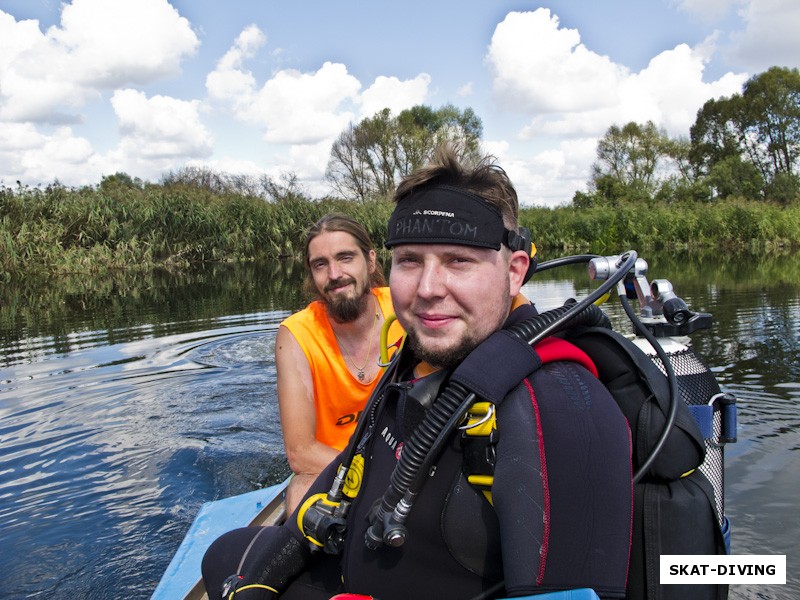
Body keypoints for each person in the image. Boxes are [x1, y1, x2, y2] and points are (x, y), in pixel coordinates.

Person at [202, 146, 633, 600]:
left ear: (514, 273)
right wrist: (257, 586)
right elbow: (336, 482)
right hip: (358, 568)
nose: (427, 289)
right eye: (410, 260)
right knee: (226, 557)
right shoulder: (416, 361)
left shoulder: (559, 407)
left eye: (458, 261)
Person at [276, 213, 403, 513]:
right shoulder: (295, 334)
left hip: (404, 457)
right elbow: (301, 453)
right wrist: (378, 478)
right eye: (320, 264)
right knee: (302, 486)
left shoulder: (403, 306)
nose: (334, 274)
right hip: (334, 466)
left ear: (370, 261)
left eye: (345, 258)